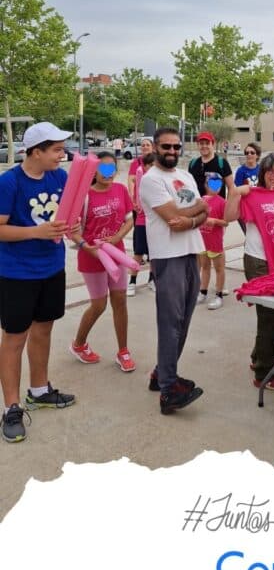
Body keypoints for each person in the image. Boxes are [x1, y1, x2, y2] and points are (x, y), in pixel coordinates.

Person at [0, 122, 75, 443]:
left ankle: (40, 390)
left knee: (44, 329)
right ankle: (11, 408)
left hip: (52, 268)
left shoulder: (60, 177)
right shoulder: (9, 182)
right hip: (17, 273)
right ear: (35, 152)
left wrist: (74, 228)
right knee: (14, 338)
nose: (62, 155)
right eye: (56, 150)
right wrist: (36, 232)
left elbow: (67, 218)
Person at [139, 127, 208, 415]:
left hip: (191, 252)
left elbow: (203, 210)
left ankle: (161, 373)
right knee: (170, 323)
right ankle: (168, 390)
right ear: (155, 148)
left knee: (184, 319)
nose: (172, 151)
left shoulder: (185, 176)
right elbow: (171, 218)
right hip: (167, 256)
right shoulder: (150, 180)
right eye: (166, 146)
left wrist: (190, 219)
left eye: (176, 147)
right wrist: (196, 210)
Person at [225, 154, 274, 392]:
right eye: (270, 170)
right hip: (259, 262)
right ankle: (263, 373)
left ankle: (260, 355)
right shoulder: (252, 195)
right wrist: (236, 192)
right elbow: (228, 217)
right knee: (270, 316)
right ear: (262, 173)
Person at [69, 152, 135, 370]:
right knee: (99, 305)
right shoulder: (84, 196)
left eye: (111, 169)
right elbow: (72, 231)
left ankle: (123, 351)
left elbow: (129, 219)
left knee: (120, 301)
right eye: (103, 169)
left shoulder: (121, 190)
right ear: (93, 172)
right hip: (91, 256)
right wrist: (85, 246)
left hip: (116, 254)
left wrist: (117, 238)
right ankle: (79, 344)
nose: (108, 173)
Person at [127, 137, 155, 295]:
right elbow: (131, 182)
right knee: (138, 252)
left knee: (154, 253)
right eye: (142, 145)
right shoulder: (137, 168)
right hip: (142, 217)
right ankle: (132, 281)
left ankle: (152, 279)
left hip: (155, 220)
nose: (144, 147)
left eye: (147, 145)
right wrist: (133, 200)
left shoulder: (158, 171)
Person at [197, 171, 228, 310]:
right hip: (202, 241)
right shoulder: (201, 201)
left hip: (215, 242)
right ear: (206, 185)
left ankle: (219, 295)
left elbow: (226, 222)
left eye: (218, 184)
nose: (215, 187)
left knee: (219, 268)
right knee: (205, 267)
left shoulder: (222, 202)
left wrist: (214, 221)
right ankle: (202, 292)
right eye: (212, 183)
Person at [188, 131, 234, 199]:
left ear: (212, 144)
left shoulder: (222, 163)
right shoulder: (193, 163)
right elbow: (190, 187)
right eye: (201, 143)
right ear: (198, 145)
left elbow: (231, 187)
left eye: (207, 143)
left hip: (217, 205)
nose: (204, 146)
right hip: (197, 204)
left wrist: (228, 204)